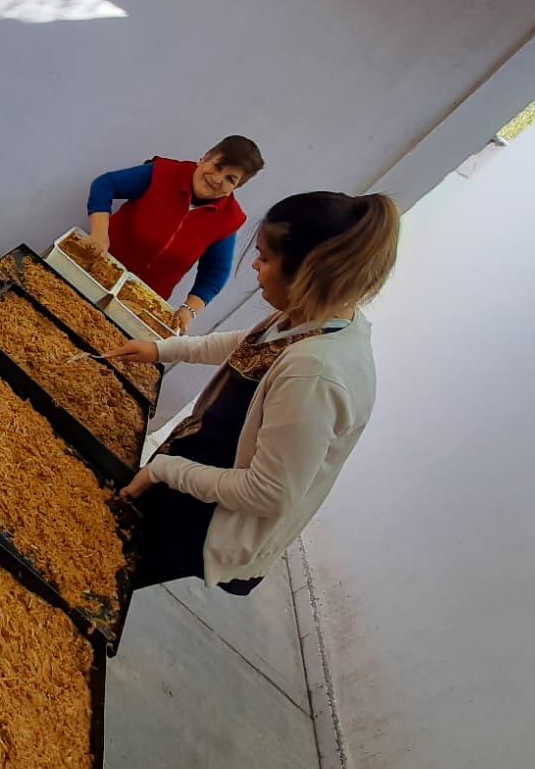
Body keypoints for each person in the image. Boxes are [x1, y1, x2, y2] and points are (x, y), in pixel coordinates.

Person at [106, 191, 400, 595]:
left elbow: (268, 492)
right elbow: (247, 344)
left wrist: (164, 472)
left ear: (307, 273)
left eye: (264, 258)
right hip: (193, 473)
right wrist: (160, 349)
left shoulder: (316, 373)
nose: (255, 267)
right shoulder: (315, 313)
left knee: (104, 578)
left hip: (208, 518)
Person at [84, 136, 264, 333]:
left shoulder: (229, 219)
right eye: (218, 166)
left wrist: (189, 310)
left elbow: (216, 271)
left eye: (231, 179)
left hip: (140, 305)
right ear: (205, 157)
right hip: (92, 267)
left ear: (237, 187)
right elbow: (106, 184)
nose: (217, 179)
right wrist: (99, 235)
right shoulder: (163, 173)